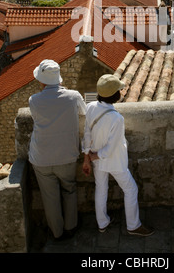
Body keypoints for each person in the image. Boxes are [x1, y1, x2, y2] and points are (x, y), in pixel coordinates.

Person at [82, 74, 154, 237]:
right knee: (131, 189)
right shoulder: (117, 118)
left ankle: (102, 222)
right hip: (114, 161)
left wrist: (87, 157)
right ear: (114, 96)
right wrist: (94, 157)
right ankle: (133, 225)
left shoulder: (91, 107)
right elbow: (111, 148)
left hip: (96, 158)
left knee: (101, 189)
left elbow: (87, 133)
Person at [28, 59, 86, 242]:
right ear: (59, 79)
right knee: (69, 190)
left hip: (41, 158)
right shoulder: (74, 96)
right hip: (66, 156)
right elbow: (84, 113)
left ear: (42, 81)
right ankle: (71, 227)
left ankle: (57, 232)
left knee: (49, 197)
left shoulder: (34, 101)